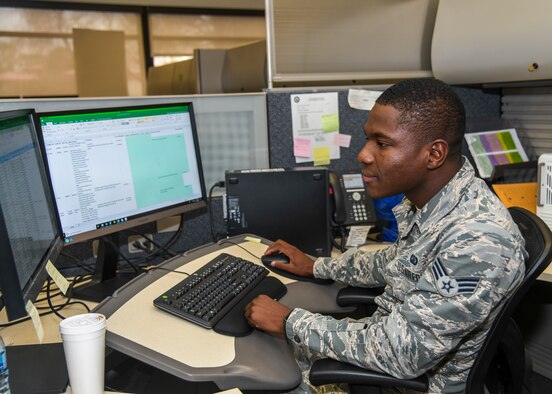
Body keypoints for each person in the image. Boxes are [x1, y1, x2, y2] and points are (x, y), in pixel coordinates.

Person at [244, 78, 527, 393]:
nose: (363, 155)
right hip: (384, 339)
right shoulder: (436, 202)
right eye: (368, 140)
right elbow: (397, 262)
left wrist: (288, 322)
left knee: (261, 374)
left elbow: (402, 353)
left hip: (404, 379)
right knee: (259, 351)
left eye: (382, 143)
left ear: (434, 154)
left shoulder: (476, 239)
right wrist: (317, 266)